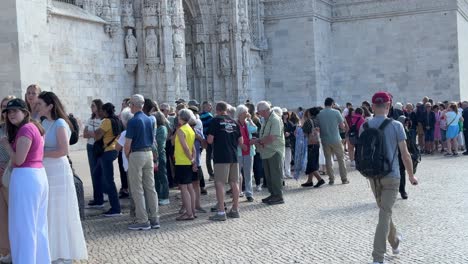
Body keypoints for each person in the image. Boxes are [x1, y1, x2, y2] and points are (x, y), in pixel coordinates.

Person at [360, 92, 418, 264]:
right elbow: (405, 155)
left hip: (373, 176)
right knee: (385, 213)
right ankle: (378, 257)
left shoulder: (365, 125)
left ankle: (395, 242)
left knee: (385, 212)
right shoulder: (396, 126)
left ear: (372, 106)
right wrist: (411, 175)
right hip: (392, 176)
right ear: (389, 105)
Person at [36, 91, 88, 263]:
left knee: (59, 210)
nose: (37, 107)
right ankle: (50, 248)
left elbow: (63, 150)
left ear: (50, 106)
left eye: (40, 104)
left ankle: (63, 251)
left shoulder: (60, 123)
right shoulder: (43, 122)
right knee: (48, 210)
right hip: (46, 170)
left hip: (58, 171)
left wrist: (40, 153)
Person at [0, 98, 50, 263]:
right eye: (8, 112)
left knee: (23, 227)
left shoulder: (26, 129)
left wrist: (6, 144)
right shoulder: (34, 127)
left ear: (25, 112)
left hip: (26, 178)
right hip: (36, 176)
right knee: (37, 225)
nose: (10, 114)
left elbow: (19, 160)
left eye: (15, 111)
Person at [124, 94, 160, 230]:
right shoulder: (150, 119)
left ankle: (142, 220)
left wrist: (128, 156)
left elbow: (127, 144)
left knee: (137, 188)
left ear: (133, 105)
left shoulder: (133, 121)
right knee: (150, 187)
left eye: (130, 105)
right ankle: (155, 218)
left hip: (137, 154)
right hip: (148, 153)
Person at [207, 101, 243, 221]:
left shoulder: (215, 121)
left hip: (221, 156)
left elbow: (210, 140)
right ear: (226, 110)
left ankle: (221, 211)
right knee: (234, 182)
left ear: (217, 110)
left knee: (220, 183)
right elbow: (241, 142)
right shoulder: (234, 122)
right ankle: (235, 209)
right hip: (234, 156)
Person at [254, 101, 285, 205]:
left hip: (274, 151)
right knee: (269, 175)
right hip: (266, 151)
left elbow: (272, 137)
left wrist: (258, 141)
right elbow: (265, 134)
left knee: (275, 174)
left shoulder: (275, 119)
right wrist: (259, 139)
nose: (259, 114)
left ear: (265, 110)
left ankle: (278, 196)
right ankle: (273, 194)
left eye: (259, 112)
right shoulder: (265, 119)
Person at [94, 103, 123, 216]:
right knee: (97, 173)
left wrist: (94, 131)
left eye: (102, 110)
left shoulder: (106, 121)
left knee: (109, 180)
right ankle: (102, 196)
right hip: (114, 150)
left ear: (105, 111)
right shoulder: (117, 120)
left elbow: (98, 136)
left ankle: (115, 208)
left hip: (107, 151)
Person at [317, 97, 349, 185]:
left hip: (325, 139)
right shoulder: (336, 112)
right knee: (341, 159)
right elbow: (342, 126)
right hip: (335, 138)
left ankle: (331, 179)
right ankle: (344, 179)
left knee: (328, 160)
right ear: (332, 104)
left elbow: (318, 127)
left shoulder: (319, 114)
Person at [173, 109, 197, 220]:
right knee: (190, 187)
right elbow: (193, 148)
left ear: (181, 118)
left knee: (184, 188)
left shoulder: (181, 130)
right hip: (188, 161)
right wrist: (193, 160)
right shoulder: (190, 130)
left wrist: (191, 160)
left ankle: (189, 213)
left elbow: (185, 147)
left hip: (182, 161)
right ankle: (192, 210)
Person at [0, 96, 15, 263]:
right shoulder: (0, 128)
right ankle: (5, 251)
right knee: (2, 217)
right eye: (3, 108)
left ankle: (18, 249)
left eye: (9, 109)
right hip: (0, 174)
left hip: (12, 174)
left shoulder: (19, 129)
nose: (6, 112)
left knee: (15, 215)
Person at [83, 99, 104, 208]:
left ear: (98, 107)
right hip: (90, 146)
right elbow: (85, 134)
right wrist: (93, 133)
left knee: (98, 172)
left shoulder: (103, 120)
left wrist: (93, 134)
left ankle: (100, 198)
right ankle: (97, 198)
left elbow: (99, 135)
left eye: (93, 106)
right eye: (91, 106)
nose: (91, 107)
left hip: (98, 147)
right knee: (93, 172)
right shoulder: (90, 119)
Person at [236, 104, 257, 202]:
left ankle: (249, 193)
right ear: (240, 113)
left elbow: (254, 129)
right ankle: (237, 191)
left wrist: (250, 120)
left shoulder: (247, 123)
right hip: (239, 152)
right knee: (236, 173)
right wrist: (240, 145)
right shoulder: (235, 123)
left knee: (248, 173)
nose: (247, 114)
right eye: (245, 112)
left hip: (249, 151)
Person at [301, 107, 325, 188]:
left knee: (311, 163)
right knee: (314, 161)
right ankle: (309, 181)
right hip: (317, 143)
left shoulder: (309, 121)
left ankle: (320, 179)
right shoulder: (319, 121)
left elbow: (304, 132)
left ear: (310, 113)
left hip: (311, 143)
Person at [115, 107, 134, 194]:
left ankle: (135, 206)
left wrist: (117, 139)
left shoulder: (125, 133)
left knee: (132, 186)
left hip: (130, 160)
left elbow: (117, 147)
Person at [153, 111, 170, 205]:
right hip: (155, 155)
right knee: (156, 177)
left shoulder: (162, 128)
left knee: (162, 176)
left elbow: (159, 143)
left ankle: (165, 196)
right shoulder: (156, 128)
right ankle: (158, 195)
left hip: (160, 155)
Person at [117, 98, 130, 199]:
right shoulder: (122, 115)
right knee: (123, 169)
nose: (123, 105)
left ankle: (127, 188)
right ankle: (125, 187)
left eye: (124, 104)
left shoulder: (128, 116)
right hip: (123, 145)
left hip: (125, 146)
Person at [200, 102, 214, 181]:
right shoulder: (209, 116)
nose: (211, 107)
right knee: (211, 156)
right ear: (205, 106)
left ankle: (210, 173)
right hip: (209, 138)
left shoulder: (200, 115)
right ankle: (212, 174)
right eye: (210, 105)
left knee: (208, 157)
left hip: (203, 138)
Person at [282, 109, 294, 179]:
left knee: (288, 158)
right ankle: (282, 173)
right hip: (282, 142)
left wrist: (289, 133)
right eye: (284, 114)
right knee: (282, 159)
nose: (285, 115)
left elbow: (294, 132)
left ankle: (288, 172)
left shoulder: (290, 123)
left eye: (286, 114)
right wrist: (284, 134)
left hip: (288, 142)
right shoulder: (280, 122)